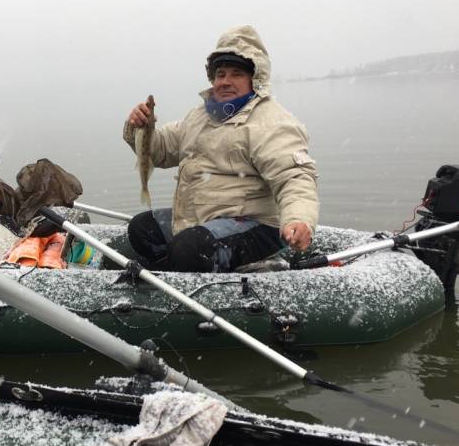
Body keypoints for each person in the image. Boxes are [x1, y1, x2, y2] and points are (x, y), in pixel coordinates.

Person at [123, 25, 318, 272]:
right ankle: (182, 273)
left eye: (236, 74)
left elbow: (295, 177)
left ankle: (255, 266)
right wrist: (141, 128)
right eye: (220, 74)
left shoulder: (271, 123)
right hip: (204, 218)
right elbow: (160, 152)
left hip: (255, 225)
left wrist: (298, 218)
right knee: (141, 228)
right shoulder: (198, 117)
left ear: (255, 78)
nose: (225, 81)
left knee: (189, 248)